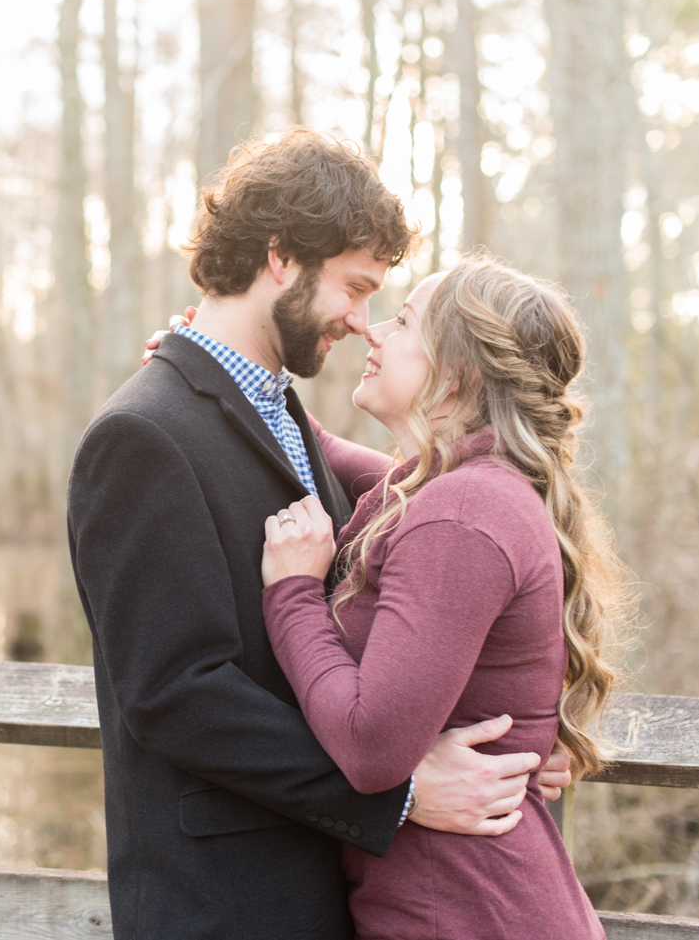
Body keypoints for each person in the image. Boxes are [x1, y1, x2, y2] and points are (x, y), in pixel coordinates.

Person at [67, 129, 570, 940]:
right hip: (231, 904)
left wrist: (525, 724)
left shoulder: (288, 422)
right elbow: (173, 691)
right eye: (355, 286)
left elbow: (442, 522)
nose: (362, 322)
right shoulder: (145, 436)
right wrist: (400, 790)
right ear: (280, 257)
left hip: (341, 891)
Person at [259, 257, 632, 939]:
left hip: (473, 918)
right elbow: (359, 467)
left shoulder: (461, 512)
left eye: (402, 321)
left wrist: (291, 594)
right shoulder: (463, 490)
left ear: (457, 373)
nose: (373, 332)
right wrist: (242, 384)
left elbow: (372, 748)